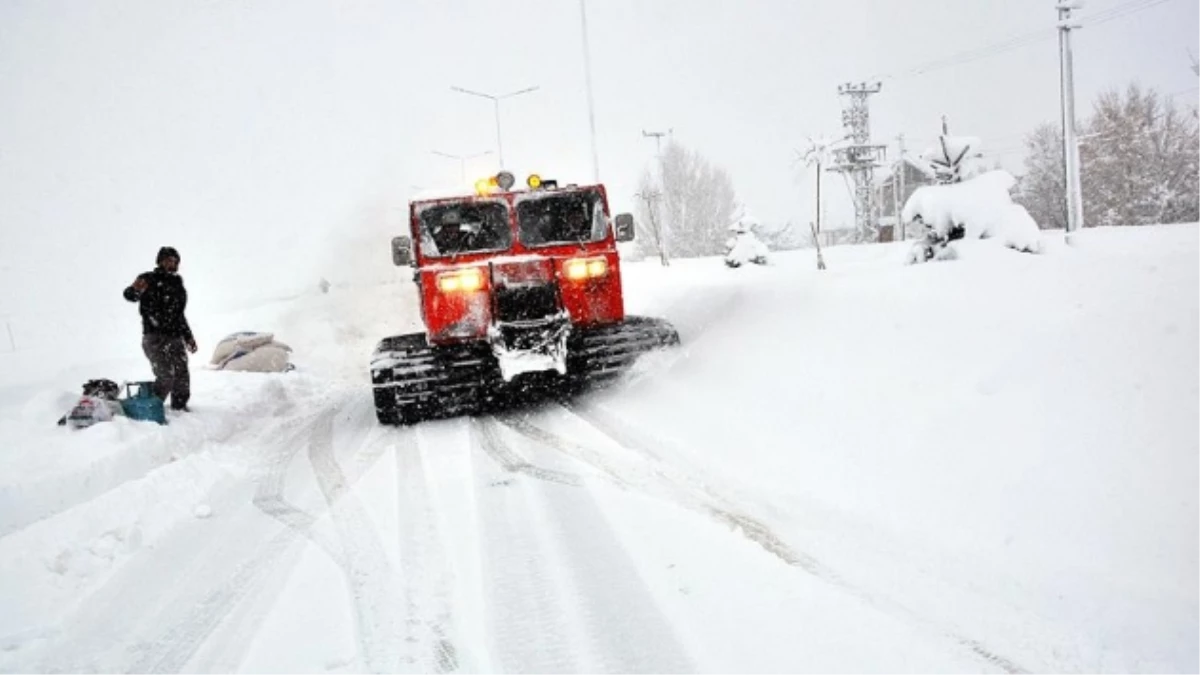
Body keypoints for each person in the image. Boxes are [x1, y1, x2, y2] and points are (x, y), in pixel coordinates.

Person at [123, 246, 198, 411]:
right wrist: (134, 290)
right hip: (154, 336)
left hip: (175, 336)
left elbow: (179, 315)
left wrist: (188, 337)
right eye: (169, 260)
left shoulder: (178, 283)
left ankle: (180, 407)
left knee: (182, 374)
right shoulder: (148, 279)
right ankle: (151, 408)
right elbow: (130, 295)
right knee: (165, 375)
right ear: (160, 261)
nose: (172, 264)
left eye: (175, 261)